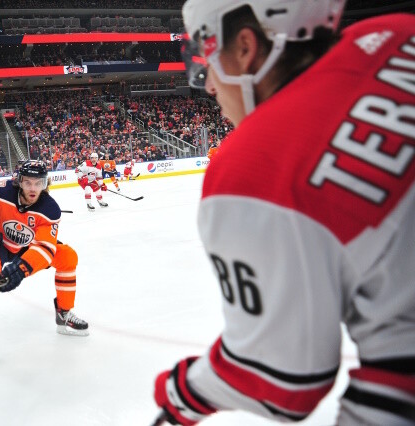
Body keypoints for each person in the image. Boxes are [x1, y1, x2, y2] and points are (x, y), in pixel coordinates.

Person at [153, 2, 415, 425]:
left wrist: (182, 391)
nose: (209, 86)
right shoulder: (398, 31)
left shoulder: (254, 166)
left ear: (244, 47)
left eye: (208, 58)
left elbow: (283, 384)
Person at [0, 160, 88, 354]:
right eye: (28, 182)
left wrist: (21, 270)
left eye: (39, 183)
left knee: (68, 257)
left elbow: (45, 248)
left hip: (27, 246)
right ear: (19, 181)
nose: (33, 188)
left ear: (46, 184)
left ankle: (64, 313)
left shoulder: (49, 209)